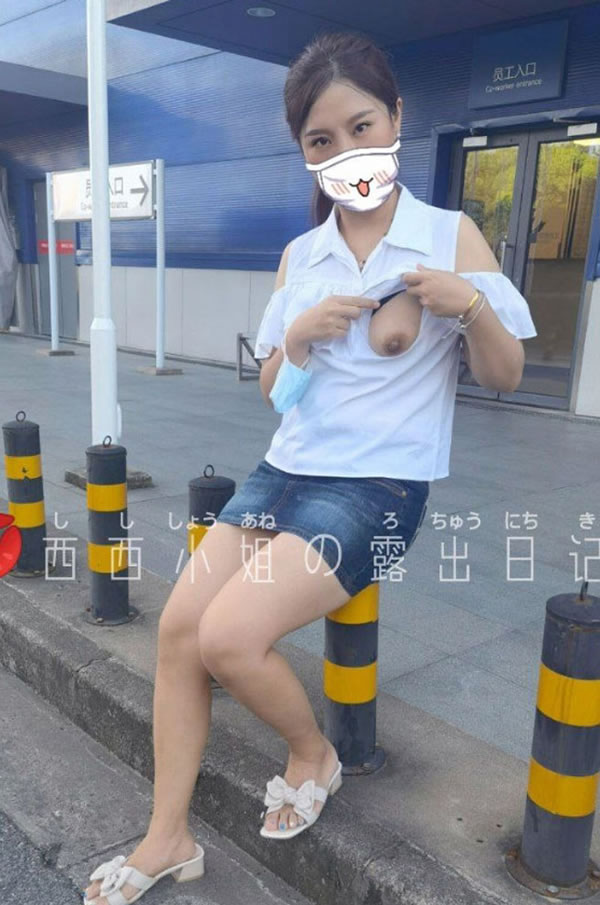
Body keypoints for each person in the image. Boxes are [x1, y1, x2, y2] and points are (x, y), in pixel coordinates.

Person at [83, 29, 537, 905]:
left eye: (361, 127)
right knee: (179, 631)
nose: (346, 152)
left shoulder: (449, 235)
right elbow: (275, 391)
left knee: (227, 636)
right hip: (283, 472)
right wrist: (293, 338)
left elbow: (507, 374)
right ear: (306, 152)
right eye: (322, 140)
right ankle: (168, 836)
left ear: (396, 118)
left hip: (378, 489)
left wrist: (470, 304)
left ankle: (312, 752)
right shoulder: (303, 255)